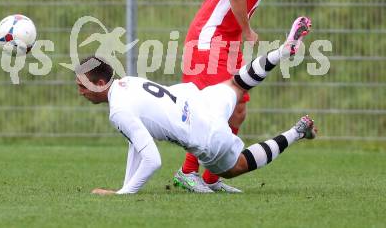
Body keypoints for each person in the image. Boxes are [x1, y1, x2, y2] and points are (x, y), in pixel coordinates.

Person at [76, 17, 315, 195]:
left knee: (237, 166)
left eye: (83, 86)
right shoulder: (127, 82)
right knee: (237, 83)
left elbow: (152, 160)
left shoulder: (118, 110)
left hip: (206, 134)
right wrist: (124, 187)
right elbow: (135, 143)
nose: (80, 92)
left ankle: (297, 132)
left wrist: (124, 195)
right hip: (201, 101)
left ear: (99, 83)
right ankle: (283, 51)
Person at [177, 0, 299, 192]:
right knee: (209, 108)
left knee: (238, 108)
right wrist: (247, 30)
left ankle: (211, 177)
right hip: (210, 41)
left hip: (226, 42)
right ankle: (186, 172)